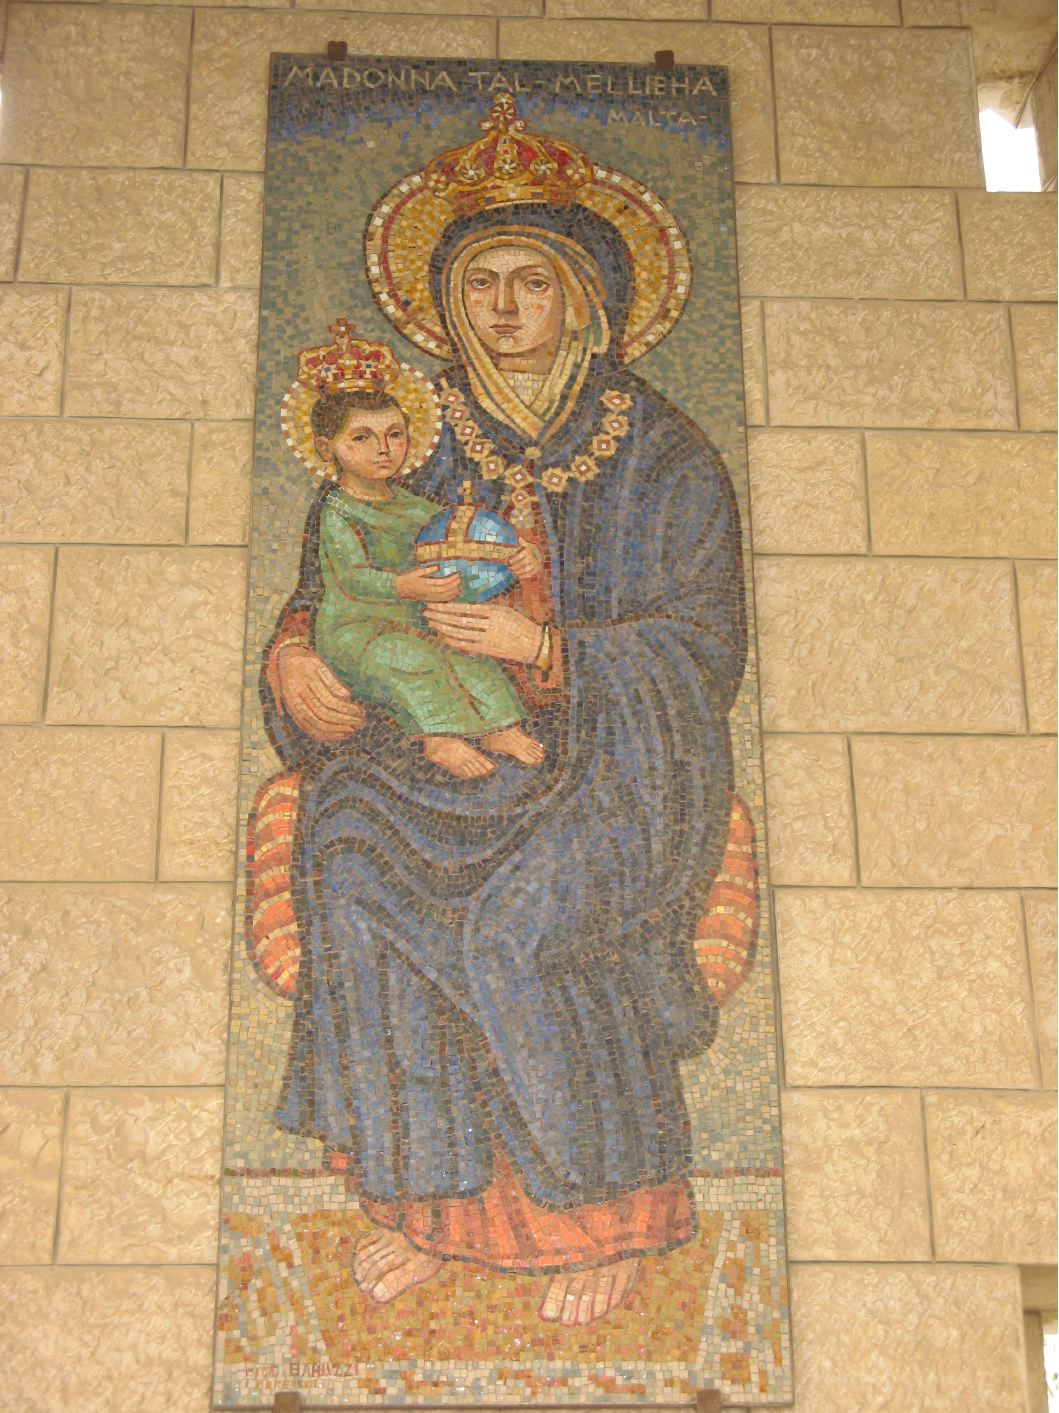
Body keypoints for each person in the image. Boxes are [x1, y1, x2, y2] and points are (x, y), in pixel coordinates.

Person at [262, 97, 747, 1327]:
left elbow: (703, 649)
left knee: (515, 928)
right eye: (480, 286)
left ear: (584, 302)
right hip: (443, 756)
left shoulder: (665, 455)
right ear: (446, 303)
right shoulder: (411, 434)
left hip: (620, 759)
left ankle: (609, 1214)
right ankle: (429, 1208)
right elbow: (335, 587)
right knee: (351, 848)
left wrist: (548, 647)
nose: (504, 309)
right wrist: (295, 658)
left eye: (533, 283)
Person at [308, 371, 545, 779]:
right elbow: (352, 577)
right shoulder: (337, 511)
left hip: (416, 621)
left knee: (467, 650)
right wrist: (404, 586)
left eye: (394, 435)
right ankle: (439, 738)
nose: (383, 449)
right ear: (326, 447)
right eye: (362, 437)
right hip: (357, 632)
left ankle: (500, 728)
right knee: (411, 658)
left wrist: (520, 553)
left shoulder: (413, 506)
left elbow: (462, 538)